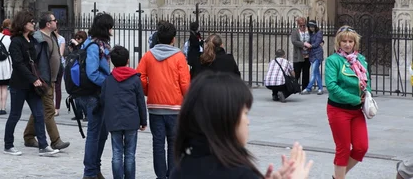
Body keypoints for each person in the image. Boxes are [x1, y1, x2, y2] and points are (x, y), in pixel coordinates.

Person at [170, 71, 313, 178]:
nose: (248, 121)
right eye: (245, 113)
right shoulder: (239, 173)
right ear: (226, 119)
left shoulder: (180, 170)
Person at [136, 21, 191, 179]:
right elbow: (185, 83)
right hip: (175, 107)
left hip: (155, 107)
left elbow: (140, 78)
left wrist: (149, 90)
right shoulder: (179, 57)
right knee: (174, 144)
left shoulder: (148, 56)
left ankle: (161, 176)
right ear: (173, 39)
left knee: (158, 144)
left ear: (158, 38)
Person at [4, 10, 59, 157]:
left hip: (32, 85)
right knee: (15, 115)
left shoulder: (31, 40)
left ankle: (43, 145)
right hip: (19, 84)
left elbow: (34, 62)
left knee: (39, 113)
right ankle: (8, 145)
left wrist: (38, 78)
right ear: (23, 24)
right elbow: (19, 64)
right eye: (31, 22)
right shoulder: (16, 42)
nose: (33, 24)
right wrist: (33, 79)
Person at [326, 26, 371, 179]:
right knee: (343, 148)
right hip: (338, 110)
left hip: (357, 111)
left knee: (361, 147)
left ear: (354, 43)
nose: (347, 44)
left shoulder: (361, 60)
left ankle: (338, 175)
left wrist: (367, 95)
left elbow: (367, 81)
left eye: (350, 41)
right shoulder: (333, 61)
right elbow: (332, 86)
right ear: (338, 43)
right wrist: (355, 99)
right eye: (344, 41)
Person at [24, 12, 70, 150]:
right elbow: (34, 61)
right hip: (43, 80)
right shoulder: (38, 39)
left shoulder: (53, 37)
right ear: (48, 24)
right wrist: (37, 78)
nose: (57, 22)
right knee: (49, 110)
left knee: (39, 109)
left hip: (51, 79)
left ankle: (28, 136)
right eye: (54, 20)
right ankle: (55, 140)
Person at [100, 46, 147, 179]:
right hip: (131, 120)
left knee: (116, 153)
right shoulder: (135, 79)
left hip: (114, 121)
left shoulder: (108, 80)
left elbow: (103, 100)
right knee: (130, 154)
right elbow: (140, 102)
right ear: (127, 60)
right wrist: (143, 120)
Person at [79, 12, 114, 179]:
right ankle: (90, 172)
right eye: (110, 26)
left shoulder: (98, 44)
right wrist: (109, 83)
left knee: (102, 132)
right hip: (93, 95)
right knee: (94, 133)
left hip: (98, 94)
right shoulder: (94, 46)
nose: (112, 29)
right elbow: (93, 73)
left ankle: (95, 167)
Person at [67, 30, 88, 121]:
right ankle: (78, 113)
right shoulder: (76, 48)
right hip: (74, 72)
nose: (77, 39)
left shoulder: (85, 47)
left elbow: (81, 55)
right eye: (76, 38)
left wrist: (77, 46)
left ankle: (86, 113)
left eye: (79, 38)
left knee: (81, 96)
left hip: (81, 72)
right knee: (75, 95)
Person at [301, 20, 324, 95]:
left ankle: (308, 88)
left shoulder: (319, 32)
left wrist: (310, 46)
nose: (311, 28)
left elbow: (317, 43)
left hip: (318, 54)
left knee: (314, 72)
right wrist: (306, 46)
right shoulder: (310, 33)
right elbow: (308, 41)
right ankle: (320, 88)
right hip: (311, 54)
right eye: (310, 27)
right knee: (316, 72)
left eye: (313, 27)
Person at [291, 17, 311, 91]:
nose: (302, 27)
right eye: (300, 25)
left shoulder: (308, 31)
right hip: (298, 55)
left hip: (307, 55)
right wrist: (303, 44)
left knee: (306, 73)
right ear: (298, 25)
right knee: (297, 72)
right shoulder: (295, 31)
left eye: (304, 25)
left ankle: (305, 88)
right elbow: (294, 41)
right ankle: (295, 88)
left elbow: (313, 37)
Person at [54, 29, 65, 116]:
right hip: (49, 64)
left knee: (57, 87)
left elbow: (60, 53)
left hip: (58, 64)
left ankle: (57, 108)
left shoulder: (61, 39)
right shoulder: (48, 38)